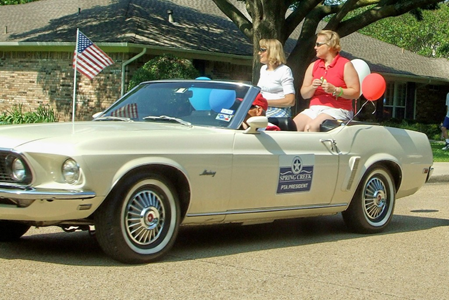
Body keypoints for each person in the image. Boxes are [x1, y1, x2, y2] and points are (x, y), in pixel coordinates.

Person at [293, 30, 360, 132]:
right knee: (293, 126)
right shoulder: (313, 66)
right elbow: (304, 94)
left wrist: (335, 90)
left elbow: (356, 92)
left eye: (318, 44)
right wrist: (312, 87)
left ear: (330, 46)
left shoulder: (345, 65)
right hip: (315, 109)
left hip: (338, 109)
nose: (315, 47)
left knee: (311, 127)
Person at [257, 39, 296, 118]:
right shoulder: (263, 69)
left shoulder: (284, 70)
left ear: (272, 52)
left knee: (260, 122)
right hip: (262, 108)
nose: (259, 53)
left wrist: (265, 102)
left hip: (279, 110)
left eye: (262, 50)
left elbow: (290, 101)